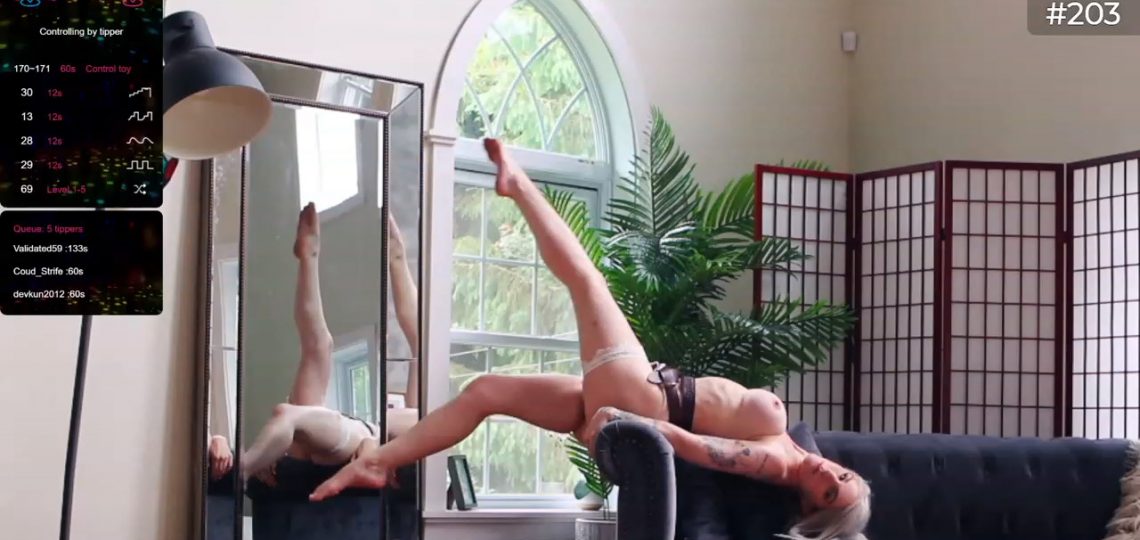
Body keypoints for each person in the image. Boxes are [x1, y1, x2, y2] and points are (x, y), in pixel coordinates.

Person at [308, 139, 871, 540]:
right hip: (641, 393)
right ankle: (377, 462)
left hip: (645, 397)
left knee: (587, 280)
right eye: (842, 477)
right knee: (486, 392)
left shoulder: (773, 463)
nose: (828, 475)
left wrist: (628, 422)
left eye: (827, 493)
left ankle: (518, 186)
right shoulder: (795, 447)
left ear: (807, 507)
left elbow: (698, 449)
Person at [240, 203, 421, 482]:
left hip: (353, 438)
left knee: (289, 412)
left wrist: (371, 445)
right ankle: (308, 256)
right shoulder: (419, 422)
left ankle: (241, 469)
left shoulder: (424, 425)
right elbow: (420, 341)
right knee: (319, 348)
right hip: (344, 436)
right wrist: (397, 259)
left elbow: (421, 342)